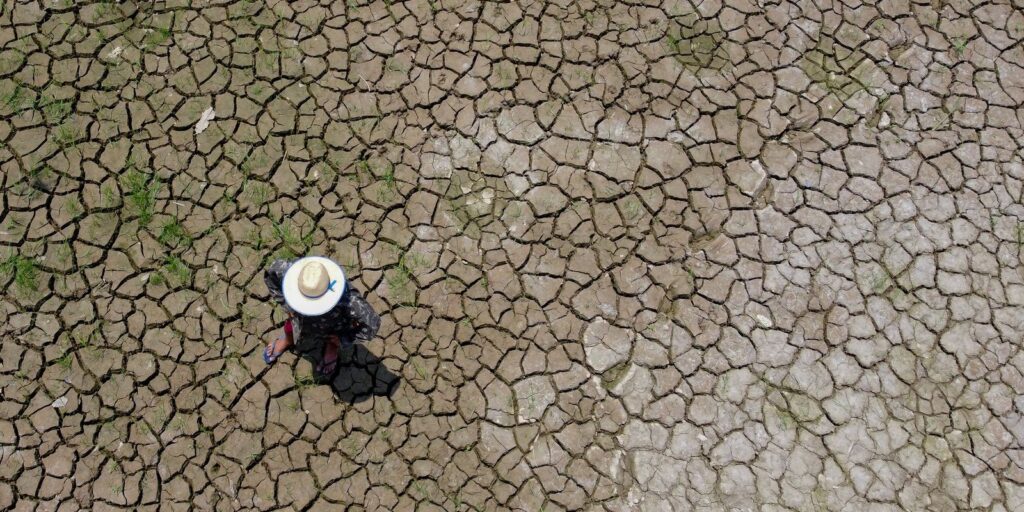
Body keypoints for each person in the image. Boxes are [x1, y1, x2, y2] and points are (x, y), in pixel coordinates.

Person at [262, 256, 380, 379]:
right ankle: (288, 340)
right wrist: (288, 306)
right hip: (298, 319)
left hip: (333, 325)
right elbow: (271, 276)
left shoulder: (348, 299)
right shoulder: (289, 273)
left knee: (332, 338)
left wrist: (343, 339)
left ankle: (332, 347)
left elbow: (373, 323)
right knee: (290, 328)